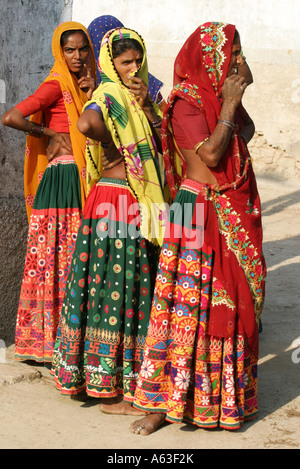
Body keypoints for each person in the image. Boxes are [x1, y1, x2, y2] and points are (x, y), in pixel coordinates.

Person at [130, 22, 267, 434]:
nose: (237, 61)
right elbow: (210, 153)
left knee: (229, 306)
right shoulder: (186, 101)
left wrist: (238, 95)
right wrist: (229, 103)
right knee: (186, 308)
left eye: (239, 53)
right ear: (208, 58)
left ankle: (223, 401)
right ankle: (163, 404)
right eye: (231, 53)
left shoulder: (218, 95)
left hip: (229, 208)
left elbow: (246, 131)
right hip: (197, 211)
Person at [51, 26, 168, 415]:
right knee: (121, 287)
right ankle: (116, 393)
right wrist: (116, 146)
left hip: (117, 201)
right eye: (125, 62)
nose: (133, 68)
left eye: (138, 61)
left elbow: (162, 145)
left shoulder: (138, 99)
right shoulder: (109, 93)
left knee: (109, 284)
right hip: (117, 199)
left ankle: (95, 378)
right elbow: (86, 124)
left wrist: (148, 109)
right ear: (110, 64)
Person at [1, 21, 96, 362]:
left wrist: (91, 94)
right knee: (55, 258)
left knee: (71, 258)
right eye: (69, 49)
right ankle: (45, 341)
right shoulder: (56, 85)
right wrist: (50, 134)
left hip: (79, 180)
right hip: (61, 181)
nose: (77, 56)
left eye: (83, 48)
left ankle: (69, 339)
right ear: (59, 51)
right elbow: (11, 116)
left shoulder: (86, 85)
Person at [87, 15, 165, 106]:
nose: (135, 68)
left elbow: (164, 116)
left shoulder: (144, 81)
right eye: (126, 62)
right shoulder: (87, 82)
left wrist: (147, 107)